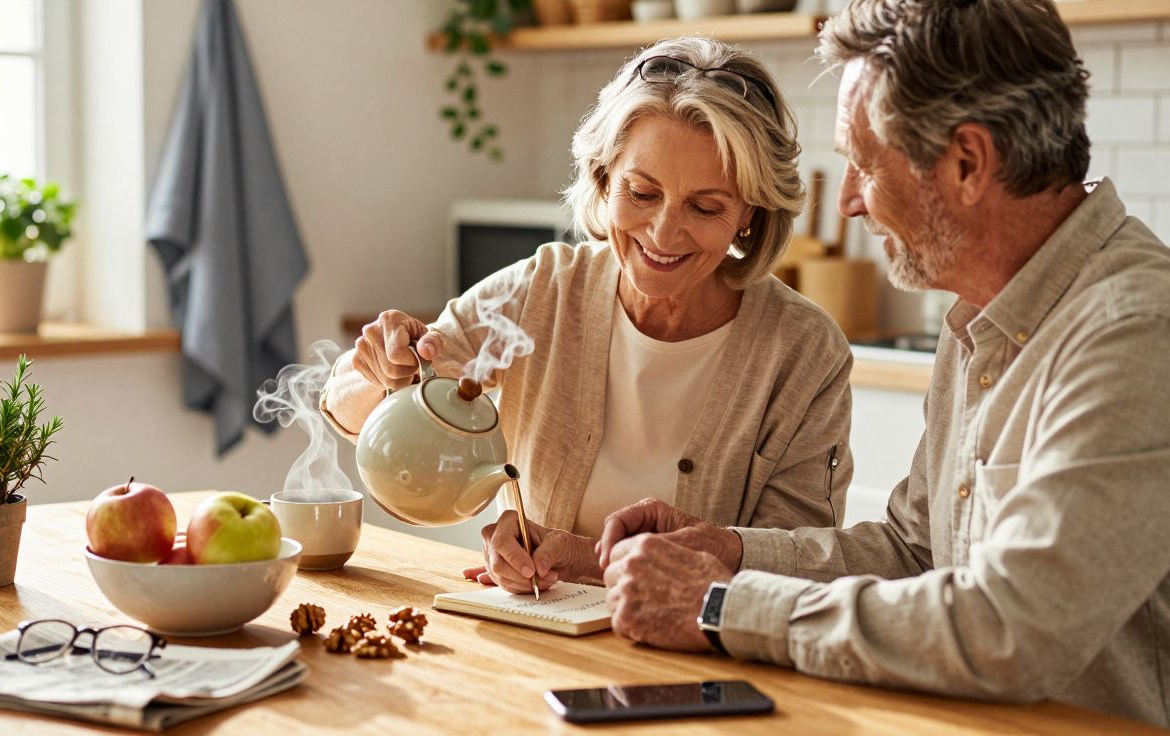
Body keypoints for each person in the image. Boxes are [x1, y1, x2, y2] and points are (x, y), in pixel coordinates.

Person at [596, 0, 1170, 727]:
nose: (852, 204)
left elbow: (1011, 631)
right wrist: (730, 550)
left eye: (865, 165)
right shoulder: (981, 317)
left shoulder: (1132, 332)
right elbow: (912, 550)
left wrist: (718, 605)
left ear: (967, 162)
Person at [321, 37, 854, 594]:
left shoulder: (803, 349)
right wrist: (379, 371)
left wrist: (589, 560)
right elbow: (349, 410)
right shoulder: (544, 291)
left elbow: (798, 564)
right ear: (604, 179)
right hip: (545, 639)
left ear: (750, 212)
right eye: (642, 193)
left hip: (705, 655)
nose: (664, 234)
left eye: (705, 206)